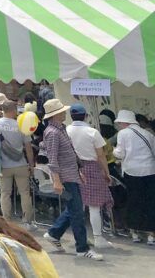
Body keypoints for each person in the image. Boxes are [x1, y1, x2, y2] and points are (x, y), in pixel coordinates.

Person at [39, 99, 104, 261]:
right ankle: (82, 248)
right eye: (61, 111)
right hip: (65, 177)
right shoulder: (53, 132)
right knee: (77, 212)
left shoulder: (60, 129)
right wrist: (56, 180)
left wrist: (78, 170)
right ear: (56, 114)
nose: (64, 113)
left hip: (71, 174)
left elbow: (70, 152)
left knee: (74, 209)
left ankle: (54, 233)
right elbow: (53, 159)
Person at [66, 104, 114, 248]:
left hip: (73, 167)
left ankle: (81, 237)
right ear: (86, 116)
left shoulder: (66, 131)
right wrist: (106, 172)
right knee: (94, 206)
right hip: (92, 168)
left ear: (71, 116)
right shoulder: (92, 132)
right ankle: (98, 237)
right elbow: (101, 155)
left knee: (78, 206)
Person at [0, 99, 35, 226]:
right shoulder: (21, 125)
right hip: (21, 164)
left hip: (3, 165)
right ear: (14, 110)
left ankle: (7, 221)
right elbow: (28, 148)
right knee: (25, 193)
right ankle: (27, 221)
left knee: (5, 193)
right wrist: (31, 165)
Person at [113, 109, 155, 244]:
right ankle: (151, 235)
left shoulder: (123, 133)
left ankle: (135, 233)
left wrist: (112, 151)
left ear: (124, 122)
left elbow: (120, 154)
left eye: (119, 123)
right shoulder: (148, 134)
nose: (119, 125)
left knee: (134, 201)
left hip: (132, 172)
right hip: (150, 171)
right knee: (150, 202)